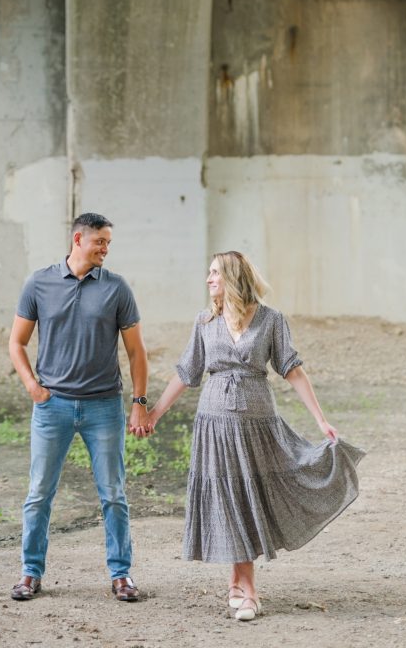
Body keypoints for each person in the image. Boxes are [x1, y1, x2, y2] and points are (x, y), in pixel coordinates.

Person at [146, 250, 365, 622]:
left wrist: (321, 420)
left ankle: (240, 586)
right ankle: (246, 592)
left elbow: (292, 369)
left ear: (232, 277)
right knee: (230, 499)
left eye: (215, 273)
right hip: (215, 425)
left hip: (257, 425)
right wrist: (154, 414)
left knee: (249, 498)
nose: (208, 279)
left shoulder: (270, 320)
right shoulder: (204, 321)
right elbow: (186, 373)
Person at [8, 212, 150, 603]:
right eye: (99, 241)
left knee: (113, 495)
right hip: (52, 406)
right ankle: (30, 574)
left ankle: (121, 575)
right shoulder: (39, 283)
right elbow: (16, 342)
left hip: (104, 406)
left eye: (108, 243)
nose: (105, 249)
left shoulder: (117, 288)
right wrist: (33, 386)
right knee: (39, 493)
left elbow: (136, 352)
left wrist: (139, 402)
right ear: (78, 239)